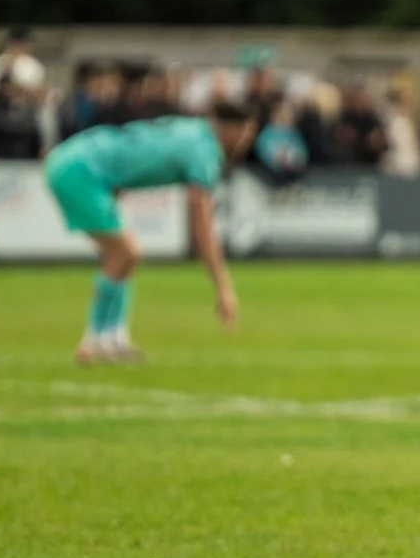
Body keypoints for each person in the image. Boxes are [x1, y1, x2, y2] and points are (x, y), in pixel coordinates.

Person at [40, 97, 258, 365]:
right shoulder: (204, 151)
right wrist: (223, 288)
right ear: (232, 129)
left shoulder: (192, 130)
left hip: (73, 158)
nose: (248, 139)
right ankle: (93, 341)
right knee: (126, 252)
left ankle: (113, 340)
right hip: (79, 169)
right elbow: (202, 229)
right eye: (248, 131)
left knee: (124, 256)